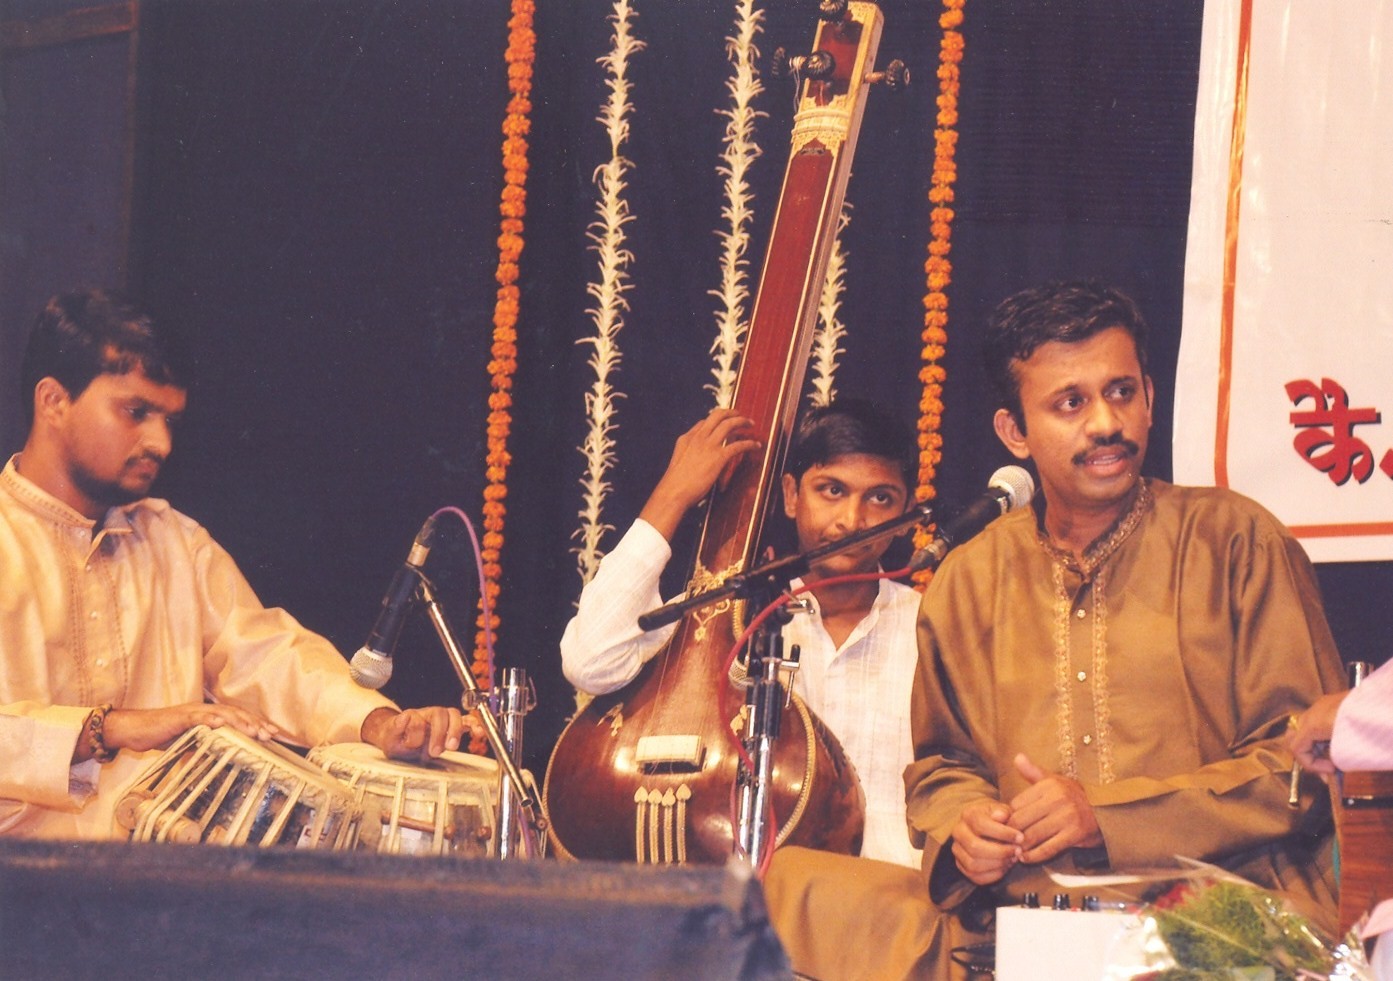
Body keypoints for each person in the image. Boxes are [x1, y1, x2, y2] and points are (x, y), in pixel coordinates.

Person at [764, 281, 1347, 978]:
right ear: (1014, 431)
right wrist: (964, 829)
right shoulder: (969, 574)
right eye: (1070, 402)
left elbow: (1303, 768)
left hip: (1217, 915)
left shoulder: (1234, 540)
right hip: (1020, 924)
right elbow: (943, 767)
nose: (1106, 422)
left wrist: (1106, 815)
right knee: (785, 888)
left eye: (1121, 392)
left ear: (1150, 397)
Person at [0, 289, 477, 840]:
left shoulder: (173, 543)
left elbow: (270, 657)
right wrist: (114, 729)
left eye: (170, 421)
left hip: (158, 888)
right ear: (53, 401)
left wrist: (378, 723)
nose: (160, 442)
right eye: (137, 412)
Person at [560, 398, 924, 868]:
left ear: (907, 511)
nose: (852, 521)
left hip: (887, 915)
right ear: (791, 496)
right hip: (754, 910)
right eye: (831, 490)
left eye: (879, 499)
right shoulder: (727, 616)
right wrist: (672, 495)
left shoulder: (931, 627)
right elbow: (590, 661)